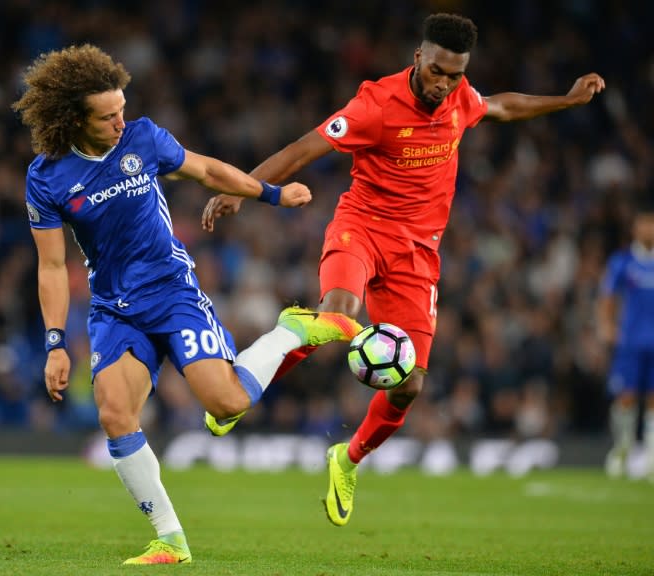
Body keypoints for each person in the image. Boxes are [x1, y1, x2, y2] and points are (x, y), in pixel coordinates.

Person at [201, 13, 606, 525]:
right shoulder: (375, 106)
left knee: (409, 385)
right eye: (437, 71)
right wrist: (245, 191)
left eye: (455, 75)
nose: (444, 84)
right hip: (362, 228)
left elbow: (501, 105)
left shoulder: (460, 98)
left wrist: (566, 100)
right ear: (418, 57)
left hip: (418, 256)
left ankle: (346, 460)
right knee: (338, 316)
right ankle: (236, 395)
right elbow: (304, 148)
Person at [11, 44, 362, 565]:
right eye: (107, 116)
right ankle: (170, 539)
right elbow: (52, 266)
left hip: (173, 292)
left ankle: (292, 330)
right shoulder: (46, 178)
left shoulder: (143, 138)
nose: (118, 121)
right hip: (113, 308)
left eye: (122, 109)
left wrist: (271, 193)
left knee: (226, 405)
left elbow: (208, 171)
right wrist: (56, 343)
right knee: (114, 413)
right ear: (73, 119)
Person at [597, 201, 654, 480]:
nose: (649, 228)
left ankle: (652, 457)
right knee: (626, 397)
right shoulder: (623, 261)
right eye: (645, 222)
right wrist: (607, 325)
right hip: (631, 342)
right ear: (635, 228)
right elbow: (608, 296)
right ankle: (623, 448)